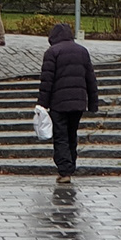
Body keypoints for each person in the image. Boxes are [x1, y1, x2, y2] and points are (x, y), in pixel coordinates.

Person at [38, 22, 99, 183]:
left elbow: (46, 81)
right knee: (72, 134)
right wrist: (93, 103)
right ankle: (70, 167)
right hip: (78, 103)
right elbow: (91, 79)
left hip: (58, 103)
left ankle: (65, 171)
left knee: (61, 136)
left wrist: (42, 104)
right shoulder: (82, 51)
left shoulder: (52, 52)